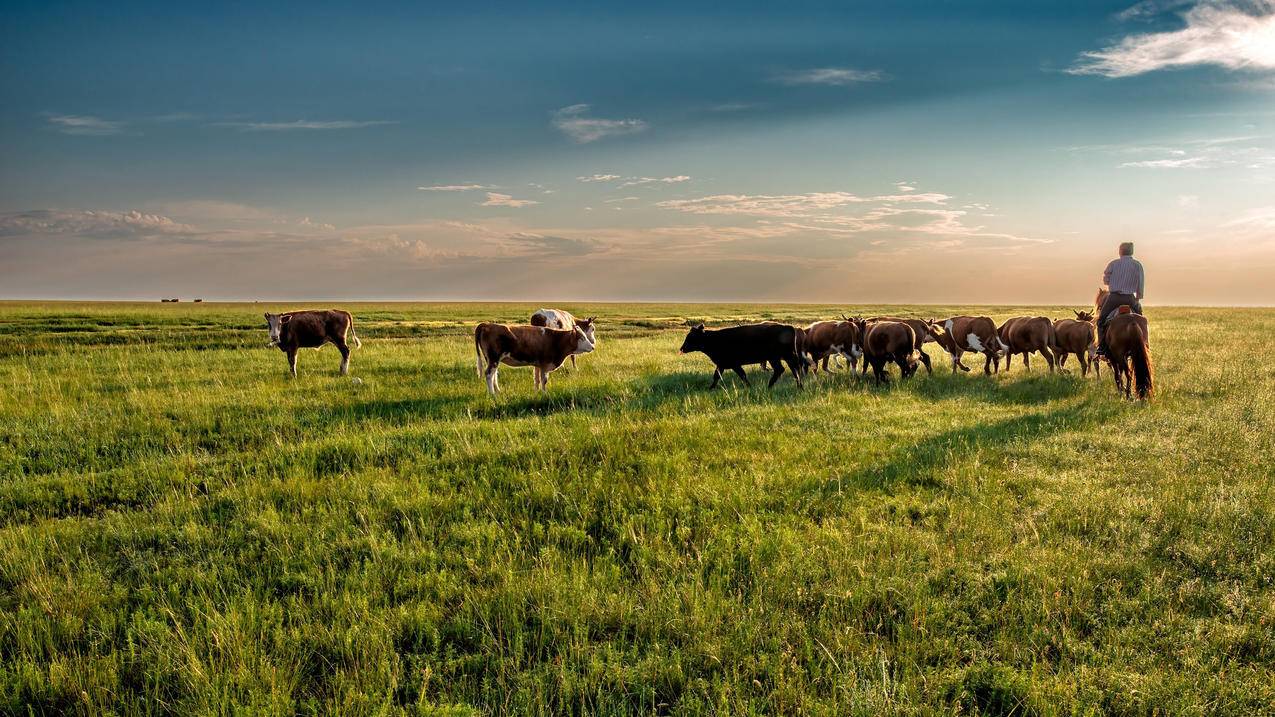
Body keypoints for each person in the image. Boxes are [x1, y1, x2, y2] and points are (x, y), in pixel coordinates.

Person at [1096, 241, 1144, 358]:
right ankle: (1144, 343)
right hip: (1130, 298)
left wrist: (1112, 282)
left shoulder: (1113, 264)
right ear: (1131, 251)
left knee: (1101, 320)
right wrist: (1137, 298)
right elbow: (1141, 283)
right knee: (1140, 320)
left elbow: (1106, 279)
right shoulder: (1137, 265)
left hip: (1114, 298)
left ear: (1120, 251)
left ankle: (1101, 347)